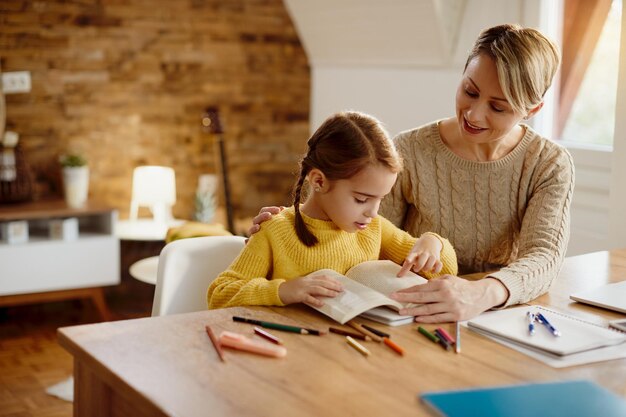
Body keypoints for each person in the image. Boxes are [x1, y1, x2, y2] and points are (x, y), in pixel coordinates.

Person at [248, 24, 574, 322]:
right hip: (413, 318)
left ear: (532, 110)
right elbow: (357, 235)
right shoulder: (410, 150)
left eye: (498, 107)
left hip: (503, 315)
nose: (474, 114)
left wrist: (482, 292)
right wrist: (289, 226)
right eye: (470, 91)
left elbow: (543, 256)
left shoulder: (548, 164)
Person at [207, 111, 457, 309]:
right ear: (319, 181)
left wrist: (431, 242)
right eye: (361, 199)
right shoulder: (275, 229)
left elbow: (447, 270)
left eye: (380, 199)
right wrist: (284, 290)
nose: (373, 211)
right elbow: (220, 294)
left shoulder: (374, 228)